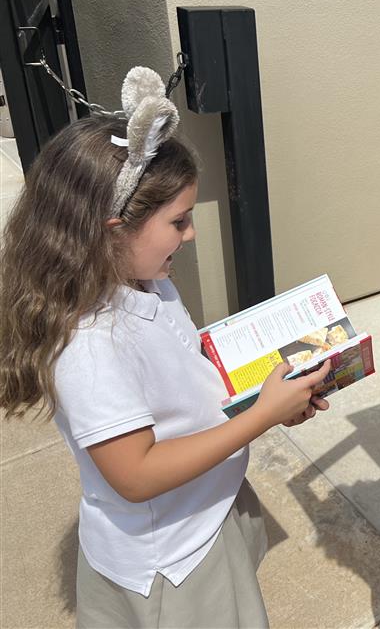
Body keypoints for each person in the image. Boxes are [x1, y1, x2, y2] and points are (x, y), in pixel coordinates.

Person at [0, 67, 328, 628]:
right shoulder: (89, 343)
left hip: (202, 508)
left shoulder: (143, 278)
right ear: (111, 229)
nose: (191, 235)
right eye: (179, 221)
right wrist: (261, 419)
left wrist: (263, 397)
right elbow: (136, 476)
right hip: (171, 561)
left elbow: (177, 368)